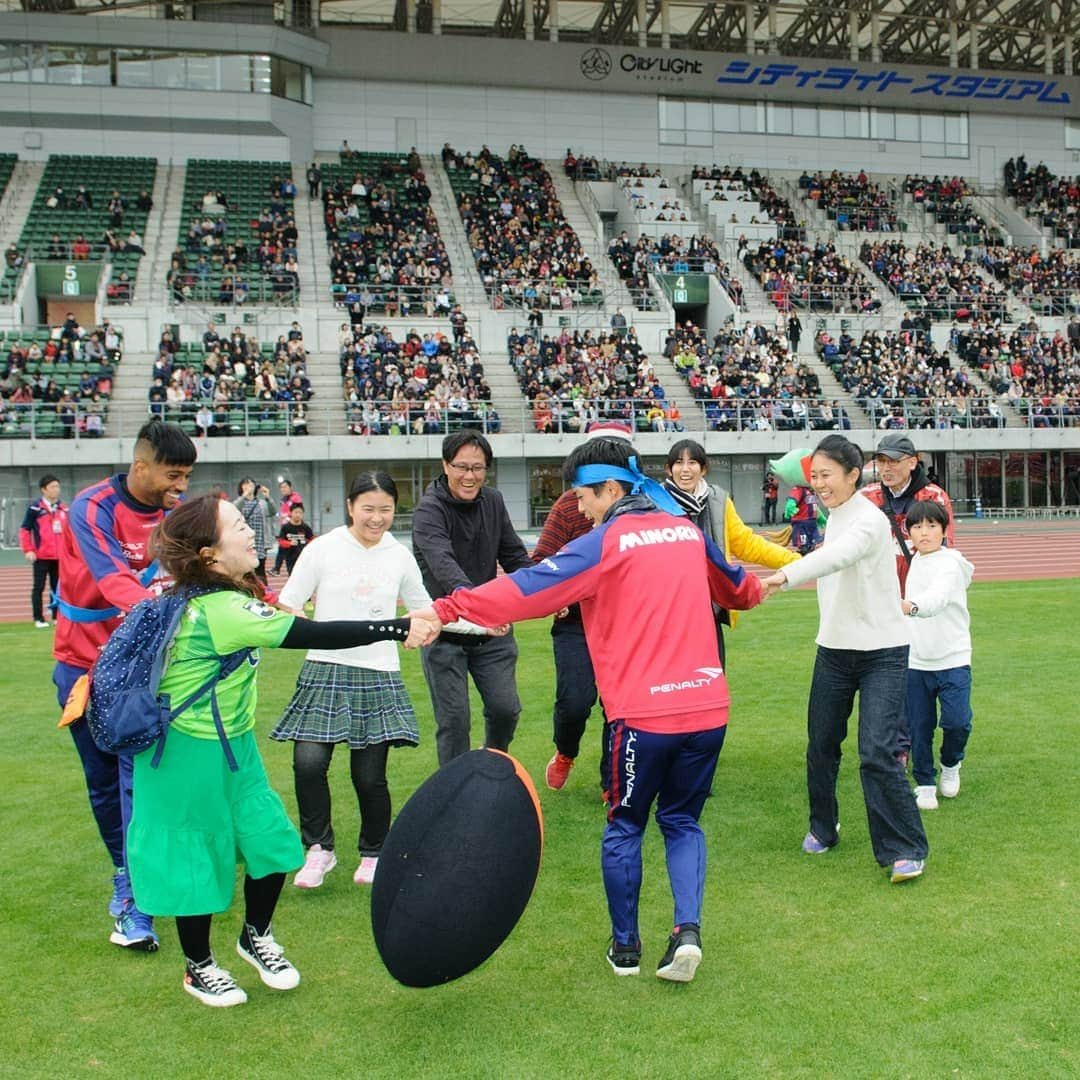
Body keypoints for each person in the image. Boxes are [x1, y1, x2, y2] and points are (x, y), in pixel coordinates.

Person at [410, 436, 765, 983]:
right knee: (682, 821)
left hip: (644, 717)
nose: (577, 507)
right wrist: (764, 588)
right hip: (708, 709)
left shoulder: (607, 541)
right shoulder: (687, 531)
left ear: (610, 487)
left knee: (624, 826)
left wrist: (447, 607)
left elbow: (526, 589)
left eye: (582, 495)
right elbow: (740, 590)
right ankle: (686, 931)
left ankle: (626, 950)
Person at [128, 494, 436, 1008]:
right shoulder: (220, 608)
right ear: (208, 554)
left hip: (234, 746)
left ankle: (255, 936)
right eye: (236, 526)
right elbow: (311, 632)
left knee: (271, 845)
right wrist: (399, 626)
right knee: (195, 860)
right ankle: (199, 966)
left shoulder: (216, 595)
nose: (251, 531)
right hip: (185, 753)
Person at [272, 472, 493, 891]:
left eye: (386, 510)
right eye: (368, 509)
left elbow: (427, 612)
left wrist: (481, 624)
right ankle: (318, 849)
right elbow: (288, 604)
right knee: (308, 763)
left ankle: (374, 851)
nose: (377, 518)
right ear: (351, 506)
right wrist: (302, 627)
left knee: (369, 775)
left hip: (378, 674)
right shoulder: (323, 549)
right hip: (324, 670)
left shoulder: (398, 555)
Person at [53, 420, 197, 951]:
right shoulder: (91, 508)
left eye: (186, 476)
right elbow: (114, 579)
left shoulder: (175, 515)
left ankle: (139, 897)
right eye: (172, 474)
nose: (180, 486)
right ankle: (125, 874)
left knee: (146, 782)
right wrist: (168, 617)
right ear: (141, 466)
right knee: (104, 783)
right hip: (84, 668)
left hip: (146, 673)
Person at [762, 435, 929, 884]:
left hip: (883, 653)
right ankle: (823, 826)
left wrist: (784, 575)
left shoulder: (868, 521)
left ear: (853, 475)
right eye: (814, 476)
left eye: (826, 475)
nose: (818, 484)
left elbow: (840, 556)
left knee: (876, 751)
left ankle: (905, 849)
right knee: (820, 747)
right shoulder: (832, 516)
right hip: (834, 652)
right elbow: (829, 555)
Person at [411, 430, 532, 766]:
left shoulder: (492, 500)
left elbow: (513, 554)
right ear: (445, 466)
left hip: (491, 632)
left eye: (478, 468)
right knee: (454, 722)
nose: (470, 476)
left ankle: (491, 769)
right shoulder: (428, 511)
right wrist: (483, 612)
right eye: (462, 467)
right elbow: (444, 569)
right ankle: (453, 791)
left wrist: (548, 591)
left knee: (505, 710)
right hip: (445, 631)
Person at [534, 422, 634, 794]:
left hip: (624, 624)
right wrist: (558, 597)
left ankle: (613, 781)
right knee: (575, 702)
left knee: (619, 707)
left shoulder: (644, 508)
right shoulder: (570, 503)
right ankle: (565, 750)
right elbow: (542, 559)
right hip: (576, 623)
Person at [663, 439, 799, 667]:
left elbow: (747, 543)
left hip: (708, 612)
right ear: (669, 469)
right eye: (678, 463)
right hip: (668, 615)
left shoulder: (718, 500)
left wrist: (797, 561)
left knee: (711, 687)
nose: (685, 469)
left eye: (692, 462)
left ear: (703, 468)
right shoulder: (653, 503)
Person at [901, 501, 974, 811]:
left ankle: (950, 763)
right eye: (917, 527)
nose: (924, 532)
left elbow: (939, 596)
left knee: (957, 722)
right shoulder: (913, 561)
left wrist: (913, 606)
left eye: (932, 526)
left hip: (953, 658)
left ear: (945, 530)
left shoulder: (951, 563)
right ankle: (926, 782)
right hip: (916, 661)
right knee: (919, 727)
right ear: (909, 533)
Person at [862, 433, 955, 595]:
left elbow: (943, 548)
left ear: (912, 462)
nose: (886, 468)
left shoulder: (933, 497)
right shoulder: (866, 497)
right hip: (878, 591)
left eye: (894, 461)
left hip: (919, 589)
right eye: (881, 461)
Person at [20, 474, 67, 628]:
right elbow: (25, 529)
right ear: (43, 490)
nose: (56, 490)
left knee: (58, 588)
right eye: (53, 487)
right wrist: (28, 550)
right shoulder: (35, 508)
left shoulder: (63, 508)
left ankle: (56, 617)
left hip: (59, 556)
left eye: (57, 486)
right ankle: (38, 618)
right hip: (41, 555)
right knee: (38, 587)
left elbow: (69, 532)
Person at [233, 477, 274, 583]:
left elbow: (273, 511)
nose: (249, 486)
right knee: (246, 573)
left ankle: (264, 595)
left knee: (260, 572)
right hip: (244, 543)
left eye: (251, 484)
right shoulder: (240, 502)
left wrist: (267, 496)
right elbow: (233, 509)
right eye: (246, 484)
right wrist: (244, 496)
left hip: (260, 543)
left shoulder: (261, 503)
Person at [272, 479, 304, 574]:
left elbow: (298, 510)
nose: (283, 489)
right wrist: (280, 515)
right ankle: (277, 568)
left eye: (285, 487)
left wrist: (287, 515)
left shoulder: (295, 498)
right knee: (283, 547)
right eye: (281, 487)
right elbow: (282, 512)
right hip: (285, 527)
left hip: (293, 527)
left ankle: (277, 568)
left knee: (293, 550)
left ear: (290, 487)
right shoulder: (283, 500)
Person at [275, 502, 314, 576]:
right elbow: (281, 541)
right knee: (293, 578)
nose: (298, 515)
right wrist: (289, 543)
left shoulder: (306, 527)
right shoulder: (286, 527)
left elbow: (312, 540)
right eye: (296, 512)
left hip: (304, 558)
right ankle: (276, 568)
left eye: (300, 513)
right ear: (291, 513)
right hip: (290, 559)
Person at [784, 484, 820, 554]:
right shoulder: (799, 489)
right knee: (804, 546)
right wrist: (790, 506)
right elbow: (792, 499)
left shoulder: (813, 491)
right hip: (801, 522)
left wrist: (819, 516)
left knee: (816, 543)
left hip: (812, 522)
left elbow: (814, 505)